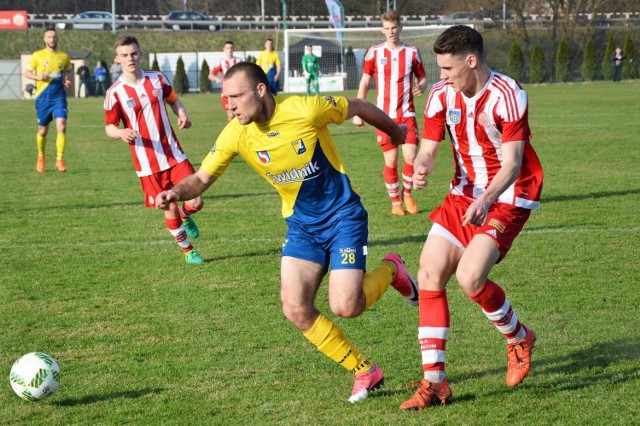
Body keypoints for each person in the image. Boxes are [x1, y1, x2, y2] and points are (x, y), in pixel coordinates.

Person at [155, 62, 420, 402]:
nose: (230, 105)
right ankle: (364, 370)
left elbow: (358, 105)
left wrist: (396, 132)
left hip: (343, 217)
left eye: (236, 96)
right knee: (294, 307)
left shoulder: (305, 110)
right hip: (301, 227)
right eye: (226, 98)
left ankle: (393, 269)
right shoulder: (235, 133)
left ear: (261, 90)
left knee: (346, 306)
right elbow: (202, 179)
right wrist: (177, 192)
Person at [399, 25, 544, 411]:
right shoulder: (440, 95)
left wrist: (487, 199)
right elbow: (430, 148)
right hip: (463, 192)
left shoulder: (509, 95)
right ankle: (435, 383)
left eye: (448, 68)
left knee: (469, 277)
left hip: (509, 193)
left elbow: (513, 163)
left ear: (471, 60)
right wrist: (421, 166)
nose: (442, 76)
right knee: (429, 272)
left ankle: (518, 338)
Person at [104, 35, 205, 264]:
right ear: (117, 58)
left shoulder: (157, 78)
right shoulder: (115, 93)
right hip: (147, 163)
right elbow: (109, 126)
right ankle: (189, 251)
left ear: (140, 54)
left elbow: (173, 100)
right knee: (168, 206)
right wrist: (121, 133)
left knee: (197, 200)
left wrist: (182, 113)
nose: (130, 58)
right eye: (125, 55)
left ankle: (186, 215)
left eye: (133, 53)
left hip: (174, 154)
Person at [353, 10, 428, 216]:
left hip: (407, 113)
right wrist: (358, 111)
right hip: (383, 116)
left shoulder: (412, 52)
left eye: (394, 27)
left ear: (400, 27)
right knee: (392, 160)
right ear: (382, 30)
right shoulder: (375, 53)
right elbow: (365, 81)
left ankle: (407, 194)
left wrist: (422, 85)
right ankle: (396, 203)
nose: (391, 32)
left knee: (411, 157)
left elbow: (423, 77)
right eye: (387, 28)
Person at [23, 27, 72, 173]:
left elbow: (66, 71)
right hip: (43, 98)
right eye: (49, 37)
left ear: (57, 39)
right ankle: (41, 157)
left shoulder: (63, 56)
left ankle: (60, 160)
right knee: (43, 131)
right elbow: (26, 72)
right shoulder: (37, 55)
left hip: (59, 97)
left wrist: (67, 81)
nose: (52, 39)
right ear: (45, 39)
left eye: (54, 37)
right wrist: (38, 77)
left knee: (61, 126)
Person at [208, 40, 243, 122]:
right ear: (224, 50)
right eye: (227, 48)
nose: (229, 50)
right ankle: (231, 134)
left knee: (237, 115)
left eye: (231, 48)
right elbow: (210, 75)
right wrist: (216, 79)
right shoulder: (221, 62)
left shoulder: (239, 61)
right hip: (226, 92)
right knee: (231, 115)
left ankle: (237, 133)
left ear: (233, 49)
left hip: (238, 91)